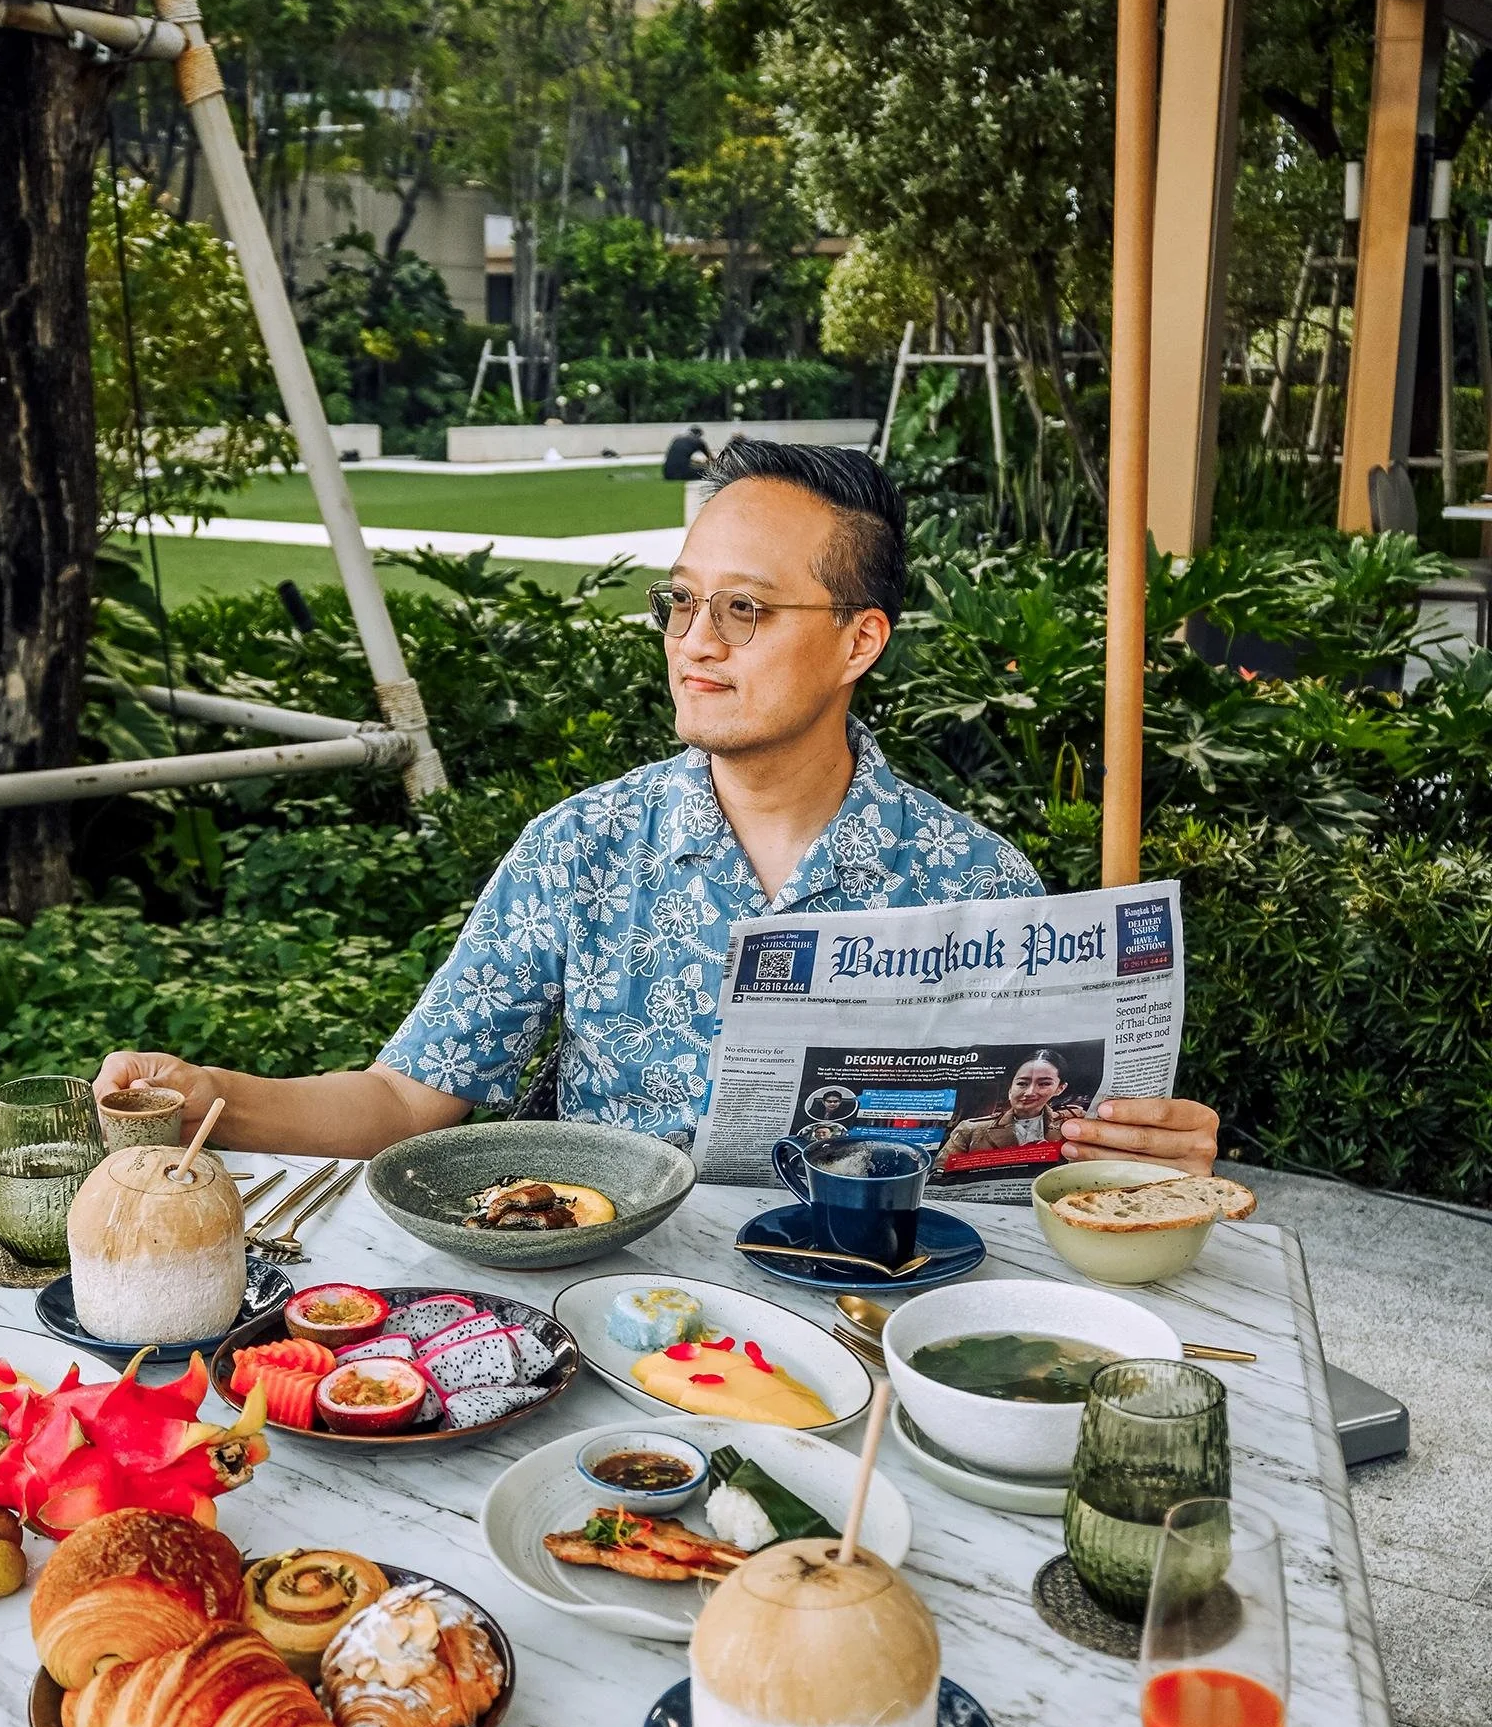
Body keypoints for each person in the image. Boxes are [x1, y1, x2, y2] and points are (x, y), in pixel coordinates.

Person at [95, 441, 1219, 1176]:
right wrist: (214, 1097)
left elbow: (1030, 1160)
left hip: (868, 1329)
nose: (695, 642)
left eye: (745, 609)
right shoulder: (579, 849)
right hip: (608, 1319)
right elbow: (402, 1098)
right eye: (680, 603)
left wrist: (1134, 1155)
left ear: (859, 641)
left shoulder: (978, 882)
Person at [937, 1050, 1075, 1161]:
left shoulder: (1070, 1126)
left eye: (1044, 1084)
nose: (1029, 1092)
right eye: (1022, 1083)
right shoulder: (970, 1130)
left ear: (1060, 1088)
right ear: (1010, 1088)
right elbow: (940, 1173)